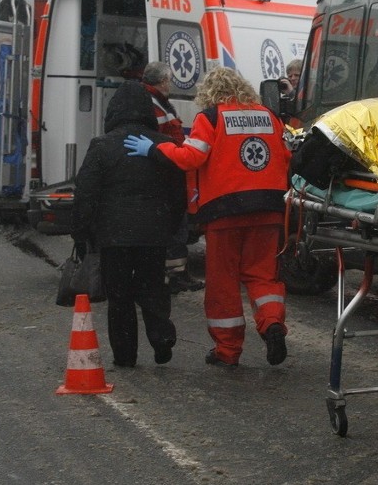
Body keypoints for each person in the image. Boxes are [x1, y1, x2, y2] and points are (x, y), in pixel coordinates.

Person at [124, 67, 290, 367]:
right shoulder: (270, 116)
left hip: (225, 212)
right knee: (263, 275)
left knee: (223, 283)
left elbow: (192, 157)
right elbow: (288, 156)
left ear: (210, 92)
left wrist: (155, 150)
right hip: (269, 207)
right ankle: (272, 325)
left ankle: (227, 351)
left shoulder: (211, 117)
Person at [72, 80, 186, 367]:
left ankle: (125, 355)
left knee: (119, 296)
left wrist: (82, 234)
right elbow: (177, 192)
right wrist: (173, 227)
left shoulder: (101, 146)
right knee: (152, 287)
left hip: (114, 236)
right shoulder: (164, 145)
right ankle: (161, 337)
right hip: (154, 232)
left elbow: (85, 193)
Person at [141, 61, 205, 295]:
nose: (170, 84)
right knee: (175, 226)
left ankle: (175, 274)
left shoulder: (157, 101)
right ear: (163, 81)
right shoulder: (153, 103)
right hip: (166, 169)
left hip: (169, 167)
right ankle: (175, 276)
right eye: (168, 80)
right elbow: (162, 137)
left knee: (175, 227)